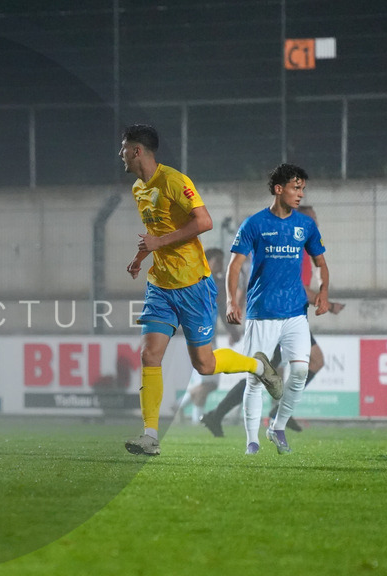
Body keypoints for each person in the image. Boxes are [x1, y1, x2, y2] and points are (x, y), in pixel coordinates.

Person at [119, 124, 282, 456]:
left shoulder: (175, 181)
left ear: (137, 151)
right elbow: (155, 232)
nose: (119, 153)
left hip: (194, 286)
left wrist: (157, 243)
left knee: (205, 365)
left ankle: (259, 367)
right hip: (160, 286)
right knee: (150, 355)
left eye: (123, 148)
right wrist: (141, 257)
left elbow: (204, 222)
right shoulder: (139, 188)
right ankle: (150, 435)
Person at [201, 204, 344, 438]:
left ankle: (218, 414)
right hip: (280, 316)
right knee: (309, 362)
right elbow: (295, 285)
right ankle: (272, 412)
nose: (315, 225)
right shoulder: (292, 248)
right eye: (312, 220)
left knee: (264, 372)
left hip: (285, 315)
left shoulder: (300, 248)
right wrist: (325, 302)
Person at [226, 163, 332, 455]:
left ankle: (278, 426)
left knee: (299, 371)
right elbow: (234, 266)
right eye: (296, 188)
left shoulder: (305, 226)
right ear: (278, 189)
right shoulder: (255, 224)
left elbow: (321, 263)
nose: (300, 194)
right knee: (256, 378)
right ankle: (252, 441)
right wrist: (231, 300)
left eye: (302, 189)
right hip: (262, 313)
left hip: (295, 314)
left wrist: (323, 291)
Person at [173, 248, 243, 424]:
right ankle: (198, 422)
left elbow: (221, 310)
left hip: (209, 339)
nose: (220, 264)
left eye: (221, 260)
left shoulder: (218, 283)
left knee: (211, 384)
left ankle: (179, 406)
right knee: (206, 384)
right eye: (217, 260)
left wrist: (231, 331)